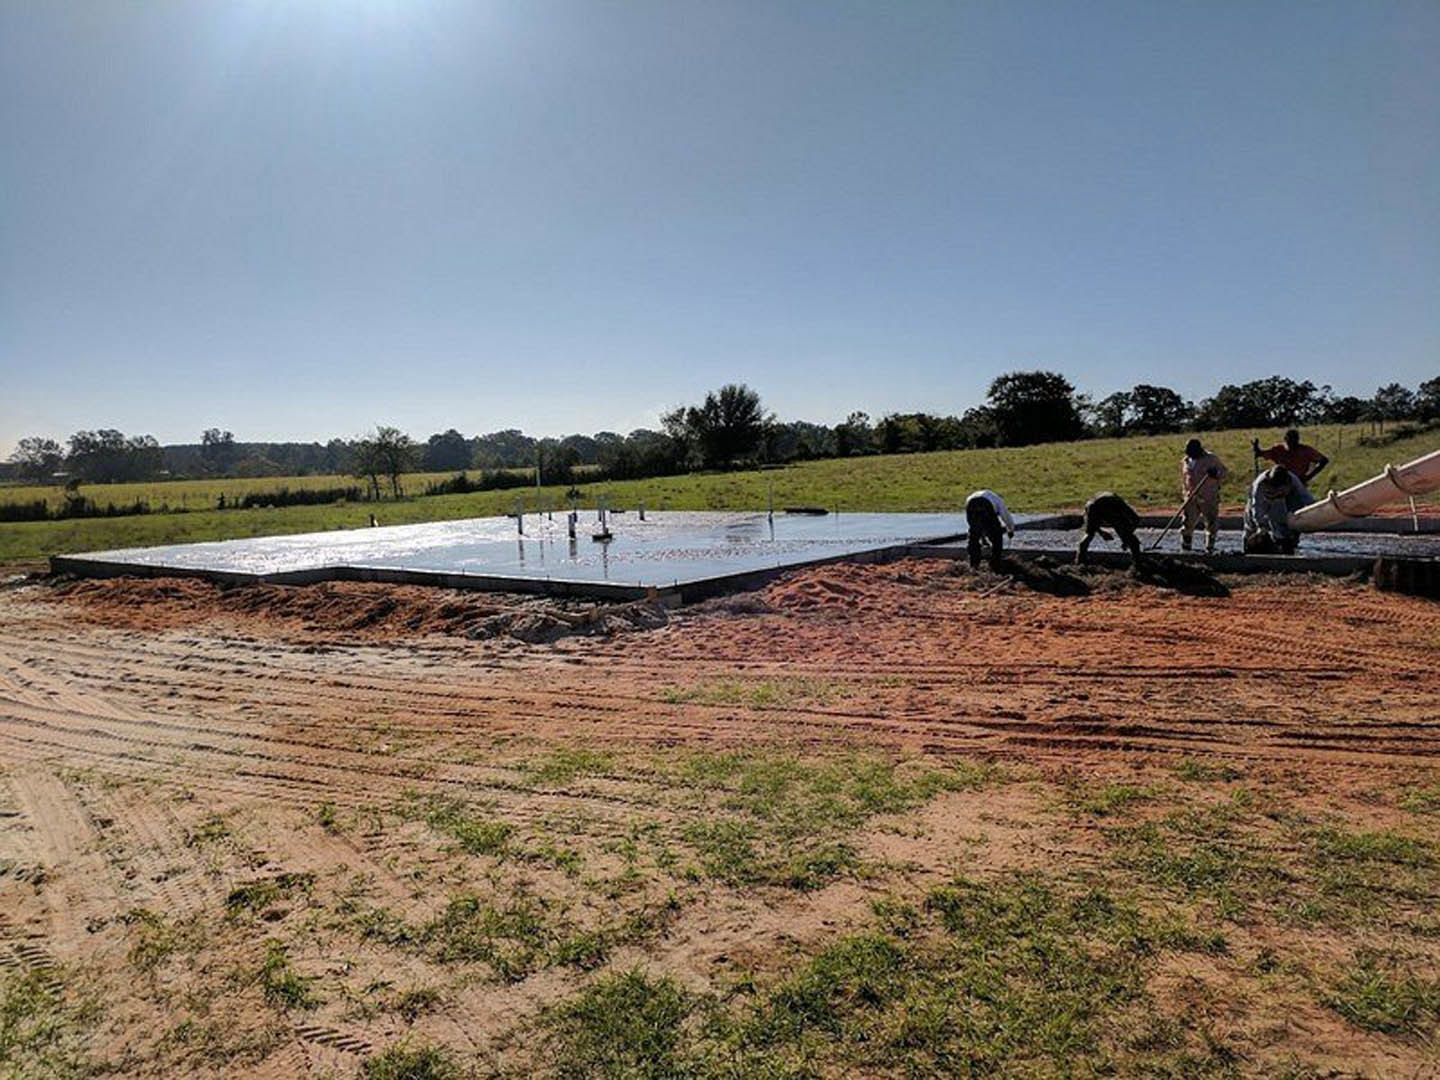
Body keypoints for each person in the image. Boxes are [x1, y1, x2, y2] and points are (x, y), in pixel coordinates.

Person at [1180, 438, 1227, 553]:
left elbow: (1224, 472)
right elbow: (1185, 480)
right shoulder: (1186, 461)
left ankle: (1209, 547)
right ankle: (1186, 547)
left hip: (1209, 496)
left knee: (1211, 523)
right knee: (1187, 523)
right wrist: (1186, 493)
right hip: (1191, 497)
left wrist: (1215, 474)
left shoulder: (1211, 459)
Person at [1076, 492, 1143, 566]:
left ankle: (1080, 561)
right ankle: (1137, 564)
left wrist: (1101, 532)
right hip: (1104, 505)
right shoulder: (1123, 509)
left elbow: (1091, 524)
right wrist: (1127, 538)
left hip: (1091, 505)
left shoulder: (1119, 508)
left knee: (1089, 534)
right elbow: (1135, 520)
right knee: (1133, 541)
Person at [1253, 429, 1328, 485]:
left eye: (1295, 441)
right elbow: (1262, 454)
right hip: (1280, 483)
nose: (1293, 444)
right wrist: (1257, 449)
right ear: (1285, 439)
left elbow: (1323, 460)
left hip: (1298, 482)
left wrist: (1308, 477)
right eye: (1290, 441)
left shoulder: (1305, 450)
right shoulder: (1279, 449)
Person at [965, 489, 1016, 569]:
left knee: (974, 536)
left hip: (971, 504)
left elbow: (976, 524)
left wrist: (982, 538)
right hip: (986, 505)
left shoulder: (973, 496)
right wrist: (1010, 530)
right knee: (996, 537)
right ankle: (995, 563)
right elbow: (1006, 517)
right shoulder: (998, 500)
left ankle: (974, 563)